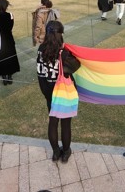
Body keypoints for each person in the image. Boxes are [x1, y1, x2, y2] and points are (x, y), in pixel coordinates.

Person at [37, 21, 81, 163]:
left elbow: (40, 73)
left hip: (49, 91)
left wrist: (46, 94)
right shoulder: (64, 52)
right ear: (61, 34)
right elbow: (75, 66)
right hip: (63, 92)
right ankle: (66, 151)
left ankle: (56, 152)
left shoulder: (41, 49)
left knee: (53, 122)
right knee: (66, 123)